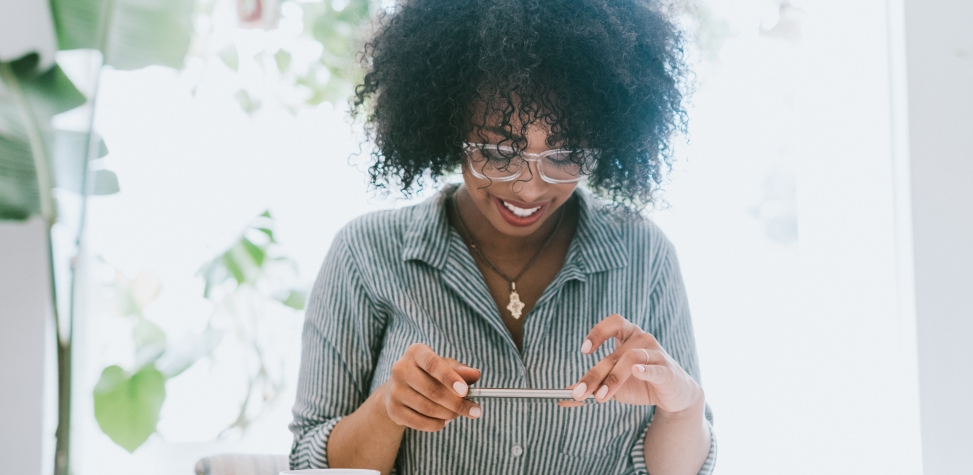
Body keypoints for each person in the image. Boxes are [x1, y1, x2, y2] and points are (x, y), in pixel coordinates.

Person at [289, 0, 716, 473]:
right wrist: (389, 409)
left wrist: (684, 406)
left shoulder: (644, 253)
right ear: (448, 124)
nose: (529, 187)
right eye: (498, 150)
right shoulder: (366, 253)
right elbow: (309, 462)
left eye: (564, 154)